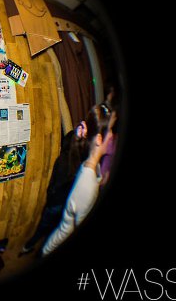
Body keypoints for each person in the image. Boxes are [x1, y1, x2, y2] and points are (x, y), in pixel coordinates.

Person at [41, 104, 113, 256]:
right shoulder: (86, 183)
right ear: (99, 139)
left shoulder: (90, 165)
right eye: (110, 131)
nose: (113, 136)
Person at [18, 120, 88, 257]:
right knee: (52, 229)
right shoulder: (78, 163)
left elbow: (54, 186)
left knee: (43, 228)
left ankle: (29, 248)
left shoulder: (63, 160)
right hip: (64, 203)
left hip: (55, 203)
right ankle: (35, 248)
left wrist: (51, 199)